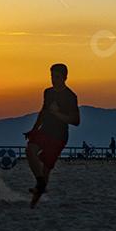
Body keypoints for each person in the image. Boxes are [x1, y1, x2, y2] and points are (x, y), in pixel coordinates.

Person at [24, 63, 79, 207]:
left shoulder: (70, 96)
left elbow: (75, 121)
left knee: (46, 168)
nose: (54, 80)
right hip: (45, 130)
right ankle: (40, 182)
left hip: (59, 136)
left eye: (57, 77)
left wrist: (56, 113)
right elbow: (43, 112)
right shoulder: (47, 92)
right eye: (52, 76)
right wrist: (34, 129)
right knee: (30, 150)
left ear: (65, 78)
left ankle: (33, 204)